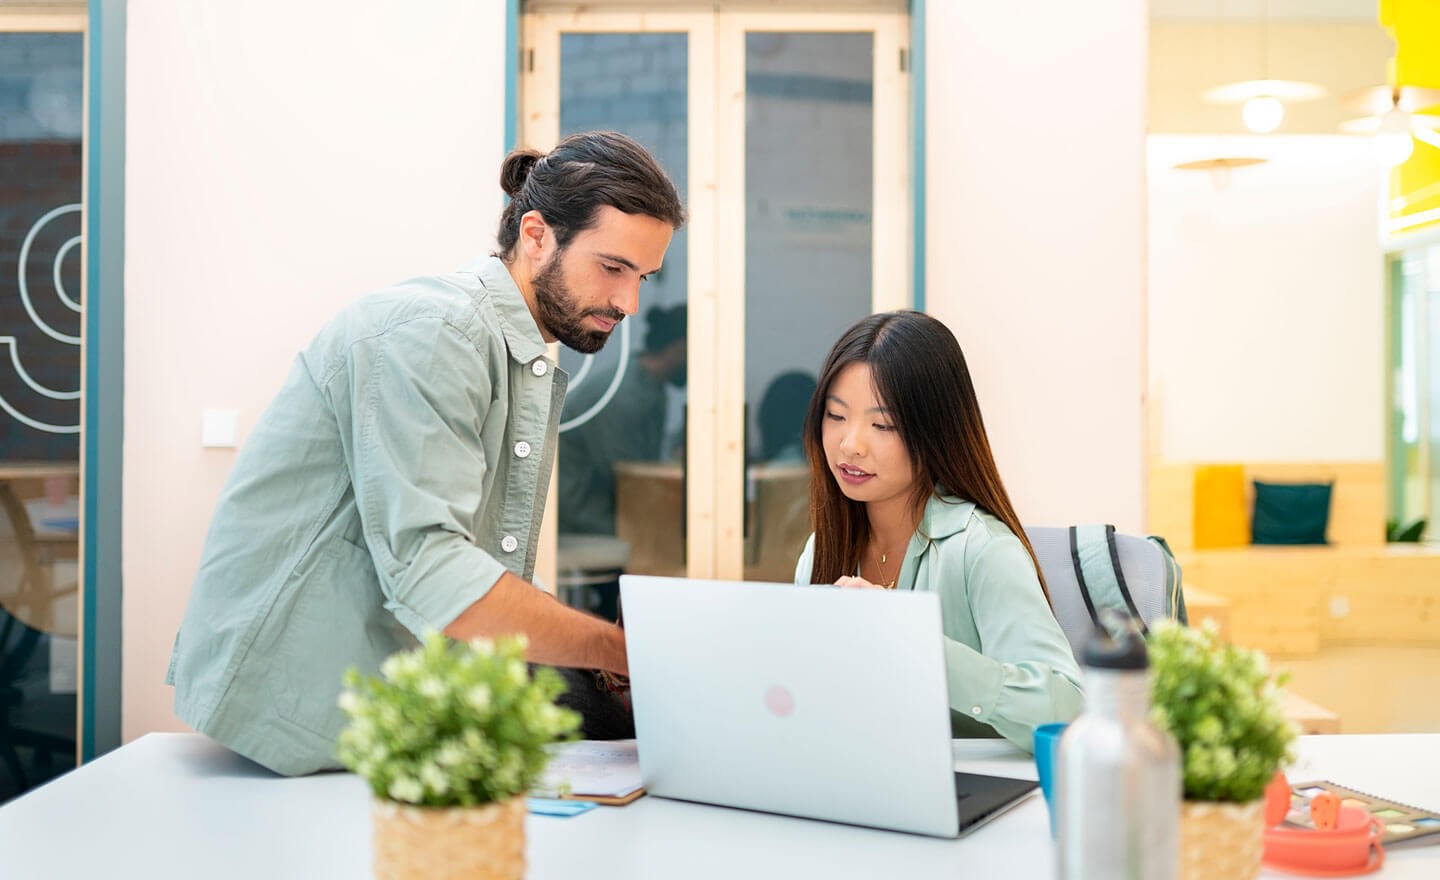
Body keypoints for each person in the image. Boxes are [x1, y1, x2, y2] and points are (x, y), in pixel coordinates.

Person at [167, 131, 685, 775]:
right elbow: (436, 574)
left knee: (631, 726)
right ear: (535, 236)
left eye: (643, 278)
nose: (629, 302)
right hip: (298, 707)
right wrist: (621, 652)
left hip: (397, 690)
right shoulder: (436, 333)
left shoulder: (508, 349)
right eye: (613, 268)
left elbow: (476, 563)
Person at [793, 310, 1083, 751]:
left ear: (935, 432)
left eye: (882, 425)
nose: (850, 445)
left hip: (976, 786)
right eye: (836, 416)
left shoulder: (982, 550)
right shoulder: (821, 550)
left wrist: (917, 642)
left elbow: (1069, 711)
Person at [558, 302, 686, 538]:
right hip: (581, 521)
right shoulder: (624, 396)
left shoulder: (653, 389)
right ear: (680, 347)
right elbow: (630, 479)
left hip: (605, 512)